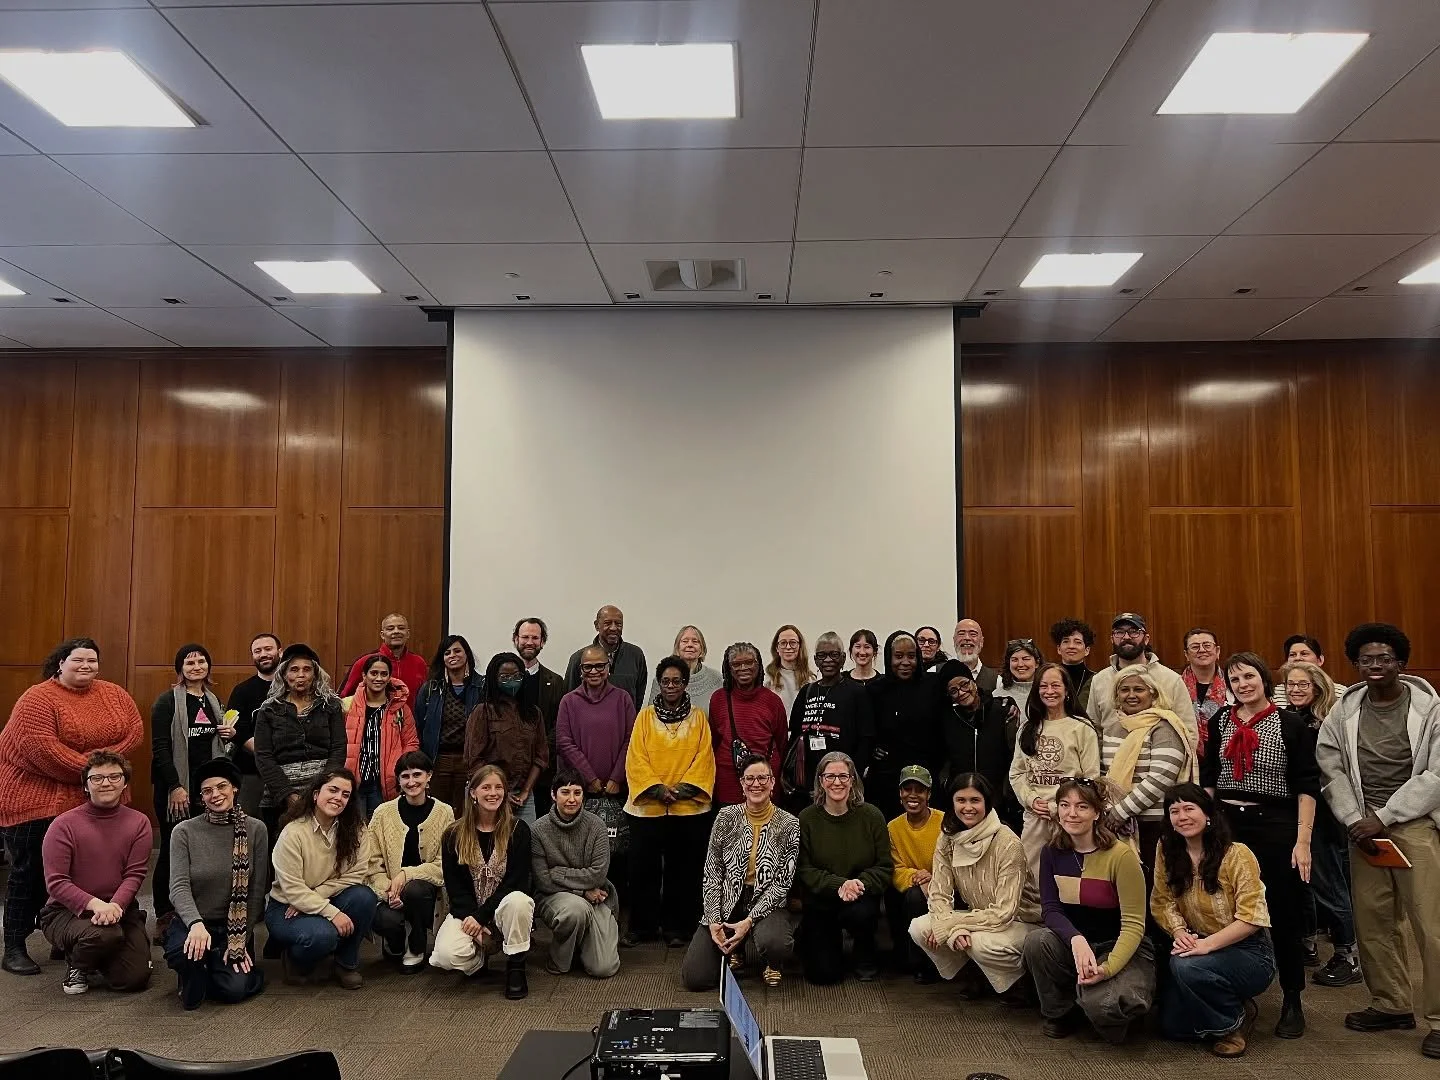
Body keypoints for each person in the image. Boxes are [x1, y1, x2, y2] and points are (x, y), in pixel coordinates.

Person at [1318, 623, 1440, 1060]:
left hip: (1415, 825)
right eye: (1366, 659)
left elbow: (1436, 776)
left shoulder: (1430, 708)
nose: (1375, 665)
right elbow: (1330, 764)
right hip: (1362, 829)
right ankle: (1391, 1004)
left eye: (1384, 658)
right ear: (1355, 664)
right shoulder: (1344, 710)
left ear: (1401, 663)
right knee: (1372, 921)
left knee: (1431, 926)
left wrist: (1384, 817)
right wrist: (1356, 818)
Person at [0, 637, 142, 977]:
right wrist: (100, 770)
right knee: (30, 876)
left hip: (91, 798)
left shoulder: (114, 694)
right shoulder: (37, 699)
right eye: (78, 660)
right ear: (60, 663)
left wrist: (100, 772)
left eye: (92, 660)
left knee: (91, 872)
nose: (86, 666)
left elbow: (133, 734)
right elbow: (43, 751)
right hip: (36, 800)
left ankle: (65, 938)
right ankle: (15, 945)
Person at [1200, 650, 1319, 1039]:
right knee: (1224, 907)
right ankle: (1231, 993)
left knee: (1282, 912)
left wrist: (1303, 841)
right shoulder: (1220, 721)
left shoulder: (1290, 723)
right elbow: (1210, 777)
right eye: (1234, 680)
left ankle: (1292, 1000)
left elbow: (1306, 785)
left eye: (1249, 677)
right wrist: (1206, 829)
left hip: (1276, 824)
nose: (1242, 685)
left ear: (1264, 679)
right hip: (1227, 825)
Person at [1023, 777, 1154, 1044]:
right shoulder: (1051, 852)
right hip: (1078, 947)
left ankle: (1097, 1001)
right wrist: (1076, 939)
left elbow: (1133, 926)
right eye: (1064, 804)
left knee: (1106, 1008)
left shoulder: (1121, 856)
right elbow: (1050, 909)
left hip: (1119, 946)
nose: (1071, 813)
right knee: (1037, 941)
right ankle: (1059, 1012)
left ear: (1097, 813)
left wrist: (1107, 969)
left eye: (1082, 806)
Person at [1151, 784, 1275, 1057]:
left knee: (1184, 966)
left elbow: (1251, 917)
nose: (1181, 816)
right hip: (1197, 941)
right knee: (1171, 1027)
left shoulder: (1237, 855)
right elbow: (1162, 901)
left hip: (1249, 951)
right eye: (1174, 811)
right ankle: (1232, 1004)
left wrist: (1207, 946)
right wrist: (1179, 932)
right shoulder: (1166, 849)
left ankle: (1232, 1023)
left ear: (1208, 814)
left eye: (1189, 808)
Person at [910, 773, 1041, 998]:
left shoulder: (1008, 843)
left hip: (1021, 921)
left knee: (979, 943)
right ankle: (977, 972)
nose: (967, 807)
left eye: (975, 800)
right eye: (961, 800)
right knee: (919, 928)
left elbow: (1004, 913)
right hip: (979, 916)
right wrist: (952, 928)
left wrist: (952, 924)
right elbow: (939, 894)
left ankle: (1022, 984)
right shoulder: (948, 837)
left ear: (987, 803)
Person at [37, 751, 152, 996]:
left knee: (132, 979)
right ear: (86, 785)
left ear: (124, 782)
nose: (106, 783)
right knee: (103, 934)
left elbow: (135, 875)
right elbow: (56, 882)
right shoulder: (63, 824)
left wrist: (115, 906)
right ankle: (77, 962)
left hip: (119, 909)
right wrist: (98, 905)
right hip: (65, 912)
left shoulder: (139, 822)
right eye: (97, 778)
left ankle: (98, 952)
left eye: (114, 776)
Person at [681, 755, 799, 990]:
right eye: (750, 779)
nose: (756, 784)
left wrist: (749, 920)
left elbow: (782, 883)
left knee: (776, 943)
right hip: (728, 900)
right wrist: (714, 920)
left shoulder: (789, 824)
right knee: (696, 979)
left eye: (763, 778)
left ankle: (773, 963)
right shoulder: (725, 817)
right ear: (742, 784)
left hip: (767, 902)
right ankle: (737, 949)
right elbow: (712, 872)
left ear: (773, 782)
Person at [623, 656, 715, 947]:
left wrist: (683, 789)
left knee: (683, 870)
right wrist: (657, 789)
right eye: (666, 681)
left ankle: (678, 928)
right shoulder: (645, 717)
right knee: (643, 870)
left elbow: (704, 757)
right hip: (647, 807)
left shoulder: (699, 717)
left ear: (685, 683)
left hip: (688, 808)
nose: (671, 686)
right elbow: (636, 758)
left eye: (677, 681)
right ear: (659, 684)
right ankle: (643, 927)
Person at [163, 758, 267, 1009]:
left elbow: (255, 892)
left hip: (234, 927)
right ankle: (195, 966)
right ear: (201, 797)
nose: (216, 795)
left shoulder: (256, 830)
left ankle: (210, 966)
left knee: (234, 990)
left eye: (222, 787)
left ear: (235, 789)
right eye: (207, 791)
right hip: (194, 922)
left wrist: (241, 939)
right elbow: (178, 887)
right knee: (182, 954)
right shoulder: (184, 831)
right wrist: (195, 924)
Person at [1283, 660, 1360, 988]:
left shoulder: (1327, 724)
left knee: (1329, 887)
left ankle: (1349, 954)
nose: (1296, 689)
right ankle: (1307, 943)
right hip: (1296, 814)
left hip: (1325, 817)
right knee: (1305, 886)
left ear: (1318, 687)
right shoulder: (1289, 719)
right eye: (1291, 684)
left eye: (1303, 684)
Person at [150, 643, 231, 943]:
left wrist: (227, 735)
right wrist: (175, 786)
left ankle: (194, 909)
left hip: (205, 788)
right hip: (175, 788)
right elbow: (160, 748)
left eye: (201, 661)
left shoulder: (212, 700)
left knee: (200, 850)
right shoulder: (167, 701)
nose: (196, 666)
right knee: (172, 850)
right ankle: (164, 913)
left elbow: (215, 740)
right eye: (189, 662)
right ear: (180, 668)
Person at [265, 767, 375, 988]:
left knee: (364, 897)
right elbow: (294, 890)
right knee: (323, 936)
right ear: (315, 794)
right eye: (333, 790)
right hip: (286, 906)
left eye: (345, 795)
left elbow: (356, 874)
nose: (338, 798)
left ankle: (346, 963)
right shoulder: (293, 833)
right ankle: (296, 960)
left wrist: (319, 895)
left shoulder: (357, 830)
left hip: (327, 896)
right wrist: (333, 913)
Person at [432, 765, 535, 1000]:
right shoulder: (453, 834)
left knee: (519, 901)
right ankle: (479, 958)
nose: (493, 793)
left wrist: (481, 917)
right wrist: (473, 920)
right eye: (486, 787)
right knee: (446, 955)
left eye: (499, 787)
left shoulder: (518, 830)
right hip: (468, 911)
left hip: (504, 910)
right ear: (473, 793)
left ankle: (516, 966)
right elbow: (455, 887)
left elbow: (517, 882)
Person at [796, 752, 891, 984]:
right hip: (823, 898)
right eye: (830, 776)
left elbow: (884, 867)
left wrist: (859, 883)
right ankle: (811, 940)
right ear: (820, 780)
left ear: (852, 780)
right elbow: (804, 869)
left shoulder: (872, 816)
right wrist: (839, 884)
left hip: (860, 896)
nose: (837, 782)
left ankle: (864, 952)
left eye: (843, 776)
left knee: (862, 914)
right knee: (823, 976)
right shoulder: (807, 818)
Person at [1009, 663, 1101, 879]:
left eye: (1055, 685)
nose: (1049, 691)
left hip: (1070, 817)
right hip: (1035, 816)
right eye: (1043, 686)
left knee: (1070, 877)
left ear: (1067, 690)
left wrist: (1058, 807)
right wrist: (1031, 800)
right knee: (1030, 878)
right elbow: (1017, 773)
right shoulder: (1027, 728)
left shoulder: (1082, 728)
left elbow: (1090, 778)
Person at [1100, 664, 1196, 871]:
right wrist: (1110, 811)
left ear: (1153, 694)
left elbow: (1160, 779)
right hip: (1117, 826)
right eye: (1124, 690)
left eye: (1139, 689)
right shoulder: (1113, 728)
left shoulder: (1165, 727)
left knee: (1156, 888)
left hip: (1155, 824)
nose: (1131, 695)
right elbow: (1105, 775)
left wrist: (1120, 812)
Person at [366, 751, 453, 971]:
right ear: (398, 780)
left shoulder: (444, 812)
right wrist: (389, 891)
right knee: (386, 920)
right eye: (405, 776)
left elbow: (445, 864)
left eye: (417, 774)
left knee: (415, 890)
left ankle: (416, 944)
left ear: (429, 776)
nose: (411, 782)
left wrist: (407, 874)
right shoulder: (382, 813)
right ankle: (395, 942)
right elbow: (371, 863)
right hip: (386, 890)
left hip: (425, 889)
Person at [531, 769, 620, 978]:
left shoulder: (597, 826)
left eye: (577, 793)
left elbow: (598, 875)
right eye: (565, 792)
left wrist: (559, 872)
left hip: (598, 896)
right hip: (554, 896)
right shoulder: (538, 830)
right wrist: (582, 892)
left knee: (604, 968)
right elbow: (543, 880)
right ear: (553, 795)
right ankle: (559, 960)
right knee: (575, 911)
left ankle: (581, 942)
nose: (572, 799)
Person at [252, 643, 347, 831]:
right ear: (284, 675)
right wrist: (288, 795)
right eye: (294, 670)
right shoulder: (268, 709)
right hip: (279, 796)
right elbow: (263, 756)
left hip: (324, 793)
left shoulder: (331, 706)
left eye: (307, 669)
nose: (301, 675)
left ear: (315, 674)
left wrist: (321, 791)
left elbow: (338, 749)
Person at [786, 632, 874, 811]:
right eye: (822, 656)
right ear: (815, 660)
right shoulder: (806, 692)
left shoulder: (857, 692)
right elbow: (795, 735)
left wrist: (850, 777)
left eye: (834, 655)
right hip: (808, 787)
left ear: (842, 659)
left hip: (843, 785)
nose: (828, 660)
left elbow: (867, 738)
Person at [1089, 613, 1197, 751]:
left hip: (1161, 766)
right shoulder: (1099, 680)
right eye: (1119, 632)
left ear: (1146, 639)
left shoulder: (1171, 679)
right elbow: (1093, 730)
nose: (1126, 637)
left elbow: (1188, 731)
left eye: (1134, 632)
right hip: (1111, 767)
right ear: (1112, 639)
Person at [464, 652, 548, 824]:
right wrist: (500, 791)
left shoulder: (533, 713)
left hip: (523, 796)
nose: (512, 680)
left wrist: (525, 791)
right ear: (494, 679)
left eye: (517, 676)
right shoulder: (483, 711)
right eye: (505, 677)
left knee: (524, 844)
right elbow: (474, 759)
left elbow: (541, 757)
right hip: (489, 793)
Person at [867, 632, 943, 820]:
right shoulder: (875, 690)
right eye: (898, 656)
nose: (906, 662)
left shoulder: (933, 686)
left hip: (927, 774)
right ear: (888, 657)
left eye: (911, 656)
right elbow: (866, 730)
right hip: (887, 779)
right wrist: (872, 751)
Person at [937, 660, 1018, 825]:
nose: (961, 692)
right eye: (953, 691)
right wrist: (946, 783)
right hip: (962, 803)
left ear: (973, 682)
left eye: (964, 684)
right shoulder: (948, 719)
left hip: (998, 802)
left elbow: (1013, 754)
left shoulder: (1000, 710)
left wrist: (1006, 792)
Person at [709, 643, 788, 808]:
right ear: (728, 669)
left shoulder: (772, 701)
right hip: (728, 784)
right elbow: (714, 742)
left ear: (758, 665)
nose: (743, 668)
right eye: (736, 664)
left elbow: (782, 744)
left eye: (749, 662)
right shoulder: (718, 699)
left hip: (764, 784)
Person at [341, 653, 418, 819]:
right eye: (374, 673)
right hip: (354, 783)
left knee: (382, 834)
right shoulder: (347, 706)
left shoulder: (400, 709)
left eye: (384, 674)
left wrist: (398, 771)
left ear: (390, 677)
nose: (379, 678)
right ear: (364, 675)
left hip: (385, 784)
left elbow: (411, 743)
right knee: (356, 834)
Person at [414, 634, 483, 811]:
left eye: (457, 650)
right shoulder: (430, 689)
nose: (452, 655)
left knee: (466, 814)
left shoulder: (482, 686)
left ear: (467, 654)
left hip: (469, 762)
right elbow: (419, 728)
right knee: (437, 812)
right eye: (447, 652)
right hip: (438, 761)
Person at [886, 765, 943, 979]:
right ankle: (908, 957)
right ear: (900, 794)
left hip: (943, 886)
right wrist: (918, 878)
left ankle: (929, 964)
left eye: (919, 790)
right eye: (907, 789)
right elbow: (895, 868)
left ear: (929, 794)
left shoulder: (944, 822)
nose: (913, 795)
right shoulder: (893, 827)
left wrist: (933, 877)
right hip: (914, 887)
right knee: (908, 895)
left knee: (915, 897)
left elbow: (954, 864)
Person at [513, 618, 566, 814]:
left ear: (542, 642)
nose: (529, 642)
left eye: (535, 637)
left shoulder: (556, 682)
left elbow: (558, 724)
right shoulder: (501, 678)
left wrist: (541, 751)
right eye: (525, 637)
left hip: (544, 770)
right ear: (515, 640)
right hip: (509, 770)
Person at [225, 632, 282, 816]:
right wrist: (265, 755)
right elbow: (237, 730)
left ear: (280, 652)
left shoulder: (291, 688)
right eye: (257, 651)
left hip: (287, 771)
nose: (263, 654)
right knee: (247, 828)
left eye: (268, 649)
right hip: (250, 773)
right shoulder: (242, 691)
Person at [565, 605, 648, 710]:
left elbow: (638, 696)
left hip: (625, 723)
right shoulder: (579, 658)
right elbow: (570, 699)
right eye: (607, 623)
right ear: (596, 625)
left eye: (618, 624)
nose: (613, 628)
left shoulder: (636, 655)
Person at [339, 612, 428, 701]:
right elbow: (346, 697)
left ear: (408, 634)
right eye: (390, 628)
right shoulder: (365, 661)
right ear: (382, 635)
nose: (396, 631)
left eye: (401, 628)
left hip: (410, 715)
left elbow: (425, 698)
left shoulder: (419, 663)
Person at [1181, 628, 1229, 757]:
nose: (1202, 650)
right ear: (1186, 654)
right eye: (1195, 647)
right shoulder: (1175, 686)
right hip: (1186, 755)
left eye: (1207, 645)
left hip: (1225, 755)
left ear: (1217, 651)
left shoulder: (1232, 684)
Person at [1275, 635, 1344, 707]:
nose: (1297, 658)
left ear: (1320, 660)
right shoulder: (1277, 692)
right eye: (1292, 655)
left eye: (1304, 654)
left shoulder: (1340, 692)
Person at [766, 625, 815, 716]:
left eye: (793, 642)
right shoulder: (768, 679)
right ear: (777, 648)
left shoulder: (811, 679)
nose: (788, 647)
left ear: (800, 646)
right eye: (783, 643)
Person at [1050, 619, 1096, 712]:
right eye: (1066, 641)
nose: (1071, 646)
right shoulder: (1048, 677)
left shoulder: (1097, 679)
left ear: (1087, 650)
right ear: (1059, 649)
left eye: (1078, 642)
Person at [673, 625, 722, 705]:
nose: (690, 645)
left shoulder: (716, 678)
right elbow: (652, 714)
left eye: (695, 641)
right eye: (685, 641)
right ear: (677, 648)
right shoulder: (663, 678)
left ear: (702, 649)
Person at [952, 619, 1000, 695]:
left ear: (981, 642)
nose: (967, 638)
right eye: (961, 634)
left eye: (973, 634)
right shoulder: (936, 672)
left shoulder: (997, 681)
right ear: (954, 640)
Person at [995, 639, 1042, 716]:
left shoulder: (1048, 693)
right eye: (1014, 660)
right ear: (1008, 664)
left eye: (1026, 659)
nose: (1020, 664)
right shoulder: (998, 696)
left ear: (1037, 663)